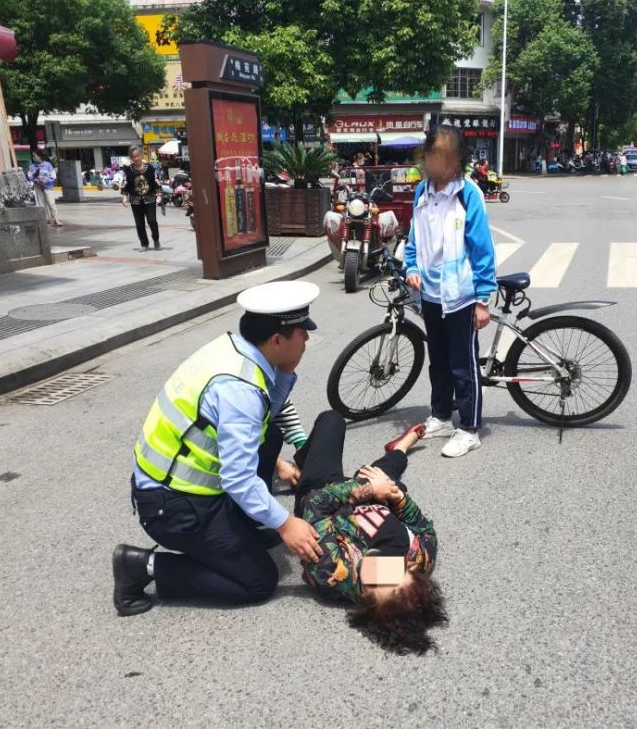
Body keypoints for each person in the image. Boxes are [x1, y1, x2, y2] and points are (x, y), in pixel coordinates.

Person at [112, 281, 324, 616]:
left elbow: (265, 415)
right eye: (302, 333)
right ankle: (140, 566)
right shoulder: (239, 389)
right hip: (172, 507)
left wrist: (286, 372)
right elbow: (238, 478)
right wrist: (285, 523)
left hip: (180, 487)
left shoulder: (234, 349)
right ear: (278, 340)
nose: (307, 340)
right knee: (258, 581)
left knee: (269, 437)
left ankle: (246, 522)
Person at [295, 411, 445, 654]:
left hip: (325, 491)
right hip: (378, 494)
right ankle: (401, 448)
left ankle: (304, 464)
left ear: (367, 604)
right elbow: (426, 532)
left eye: (376, 582)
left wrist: (367, 488)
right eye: (396, 571)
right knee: (391, 473)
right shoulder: (419, 561)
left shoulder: (332, 571)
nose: (380, 568)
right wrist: (398, 499)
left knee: (331, 420)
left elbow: (316, 503)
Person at [403, 125, 498, 458]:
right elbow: (414, 237)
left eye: (440, 158)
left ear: (456, 160)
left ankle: (469, 428)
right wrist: (411, 268)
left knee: (463, 364)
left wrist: (483, 300)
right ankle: (441, 415)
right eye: (430, 156)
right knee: (438, 361)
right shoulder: (422, 192)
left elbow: (482, 249)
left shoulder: (468, 193)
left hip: (461, 296)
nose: (433, 163)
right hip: (430, 294)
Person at [121, 147, 162, 251]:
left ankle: (156, 239)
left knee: (152, 221)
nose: (136, 158)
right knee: (139, 224)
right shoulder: (128, 170)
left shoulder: (149, 168)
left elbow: (155, 182)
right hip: (135, 200)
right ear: (131, 158)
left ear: (141, 156)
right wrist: (125, 197)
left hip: (150, 199)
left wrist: (159, 195)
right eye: (134, 157)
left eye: (138, 156)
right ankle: (144, 244)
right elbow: (126, 184)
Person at [27, 150, 61, 228]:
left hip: (48, 187)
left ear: (40, 156)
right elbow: (30, 176)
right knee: (41, 203)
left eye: (35, 156)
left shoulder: (48, 165)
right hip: (38, 187)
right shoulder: (32, 167)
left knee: (51, 203)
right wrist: (36, 181)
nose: (33, 158)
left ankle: (56, 219)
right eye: (33, 156)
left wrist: (46, 181)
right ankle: (45, 219)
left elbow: (53, 175)